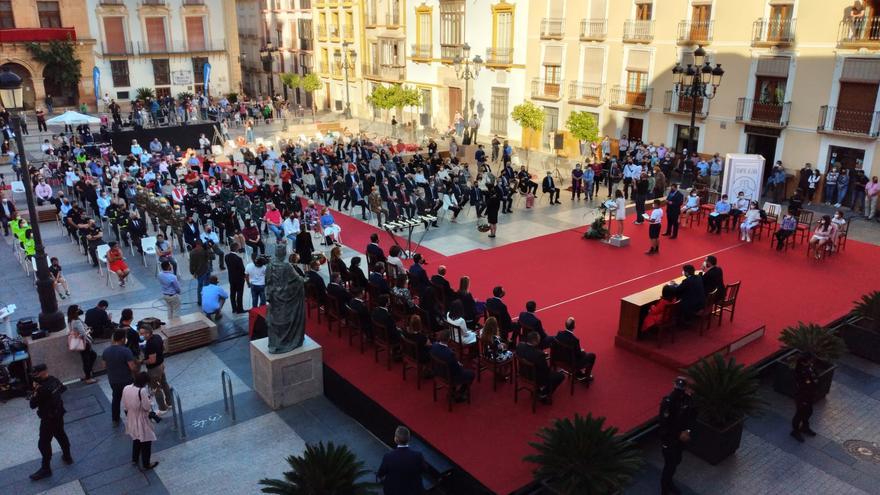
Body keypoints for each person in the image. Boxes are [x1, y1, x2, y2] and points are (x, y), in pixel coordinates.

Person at [28, 364, 73, 481]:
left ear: (43, 372)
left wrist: (35, 391)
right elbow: (63, 389)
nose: (35, 376)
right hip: (59, 414)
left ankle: (46, 468)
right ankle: (67, 457)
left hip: (48, 419)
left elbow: (32, 404)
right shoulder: (54, 380)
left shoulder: (42, 389)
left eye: (36, 373)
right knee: (61, 435)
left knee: (43, 443)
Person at [658, 377, 695, 495]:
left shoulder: (687, 400)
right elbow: (664, 425)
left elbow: (691, 417)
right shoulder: (668, 402)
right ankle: (665, 489)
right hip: (669, 440)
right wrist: (679, 434)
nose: (679, 388)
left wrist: (687, 431)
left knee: (677, 461)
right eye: (678, 386)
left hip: (680, 440)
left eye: (682, 386)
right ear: (674, 385)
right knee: (669, 466)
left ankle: (669, 483)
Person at [122, 371, 160, 470]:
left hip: (131, 417)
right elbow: (146, 407)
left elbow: (125, 406)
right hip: (141, 418)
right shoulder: (142, 391)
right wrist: (150, 398)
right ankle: (146, 464)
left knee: (136, 438)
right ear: (144, 382)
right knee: (146, 441)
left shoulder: (126, 388)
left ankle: (134, 459)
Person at [516, 331, 565, 403]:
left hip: (522, 373)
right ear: (534, 341)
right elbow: (546, 372)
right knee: (560, 376)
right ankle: (544, 393)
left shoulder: (520, 346)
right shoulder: (539, 354)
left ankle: (541, 389)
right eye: (538, 340)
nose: (539, 341)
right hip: (534, 377)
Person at [102, 329, 137, 426]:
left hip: (113, 380)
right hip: (127, 380)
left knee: (116, 399)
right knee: (129, 400)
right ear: (122, 339)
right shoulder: (126, 351)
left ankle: (115, 420)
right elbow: (132, 367)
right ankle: (131, 418)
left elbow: (104, 366)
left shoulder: (106, 351)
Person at [377, 426, 426, 495]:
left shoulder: (388, 456)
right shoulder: (418, 456)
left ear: (396, 439)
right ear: (409, 439)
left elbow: (381, 473)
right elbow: (424, 470)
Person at [430, 330, 474, 402]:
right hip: (448, 376)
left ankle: (454, 391)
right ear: (449, 340)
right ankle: (459, 394)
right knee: (471, 374)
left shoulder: (434, 346)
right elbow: (457, 370)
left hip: (437, 372)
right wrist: (459, 365)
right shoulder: (449, 354)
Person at [139, 323, 173, 414]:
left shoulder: (150, 344)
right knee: (164, 384)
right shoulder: (157, 337)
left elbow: (152, 360)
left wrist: (142, 361)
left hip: (154, 370)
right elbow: (163, 348)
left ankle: (162, 409)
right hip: (161, 365)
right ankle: (170, 403)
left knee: (156, 388)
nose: (141, 335)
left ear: (148, 333)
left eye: (142, 333)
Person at [790, 353, 818, 442]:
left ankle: (805, 427)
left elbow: (814, 377)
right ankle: (795, 431)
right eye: (811, 360)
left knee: (809, 411)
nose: (812, 362)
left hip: (810, 395)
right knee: (799, 414)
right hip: (802, 396)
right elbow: (803, 386)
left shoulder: (809, 368)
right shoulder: (801, 371)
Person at [66, 305, 97, 384]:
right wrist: (89, 330)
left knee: (91, 356)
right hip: (84, 343)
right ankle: (88, 377)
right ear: (75, 311)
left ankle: (88, 373)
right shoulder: (76, 321)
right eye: (78, 309)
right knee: (87, 359)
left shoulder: (70, 320)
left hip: (78, 343)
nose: (80, 310)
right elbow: (83, 333)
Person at [225, 243, 247, 313]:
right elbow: (242, 269)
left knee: (232, 293)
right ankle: (240, 309)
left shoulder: (226, 257)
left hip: (231, 278)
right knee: (239, 294)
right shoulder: (238, 258)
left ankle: (234, 308)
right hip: (239, 279)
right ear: (236, 249)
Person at [189, 240, 211, 305]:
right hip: (206, 269)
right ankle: (207, 299)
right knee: (207, 286)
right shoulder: (204, 250)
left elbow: (191, 263)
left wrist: (192, 272)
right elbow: (211, 257)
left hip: (199, 272)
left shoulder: (192, 252)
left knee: (200, 286)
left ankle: (200, 301)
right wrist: (208, 249)